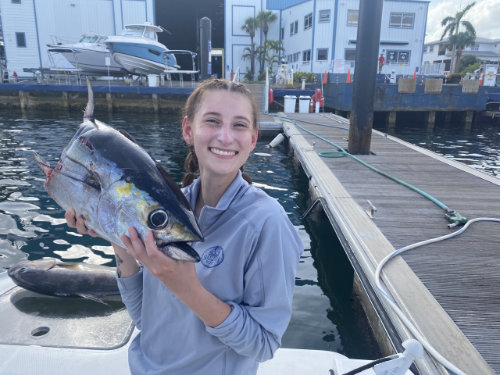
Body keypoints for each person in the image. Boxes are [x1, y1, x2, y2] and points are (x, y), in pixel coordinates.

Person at [66, 78, 304, 375]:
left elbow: (263, 344)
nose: (226, 136)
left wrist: (189, 289)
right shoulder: (165, 210)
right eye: (213, 121)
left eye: (239, 125)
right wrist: (112, 230)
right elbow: (145, 319)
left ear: (253, 139)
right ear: (188, 130)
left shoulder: (268, 223)